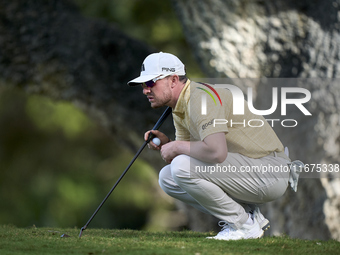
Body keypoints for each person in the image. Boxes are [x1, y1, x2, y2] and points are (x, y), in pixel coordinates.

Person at [127, 52, 303, 241]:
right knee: (168, 177)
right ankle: (248, 215)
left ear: (173, 80)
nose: (145, 90)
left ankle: (243, 226)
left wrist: (177, 146)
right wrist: (168, 144)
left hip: (269, 172)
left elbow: (216, 153)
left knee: (180, 167)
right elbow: (189, 156)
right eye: (143, 85)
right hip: (252, 170)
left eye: (151, 82)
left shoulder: (201, 98)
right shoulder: (180, 107)